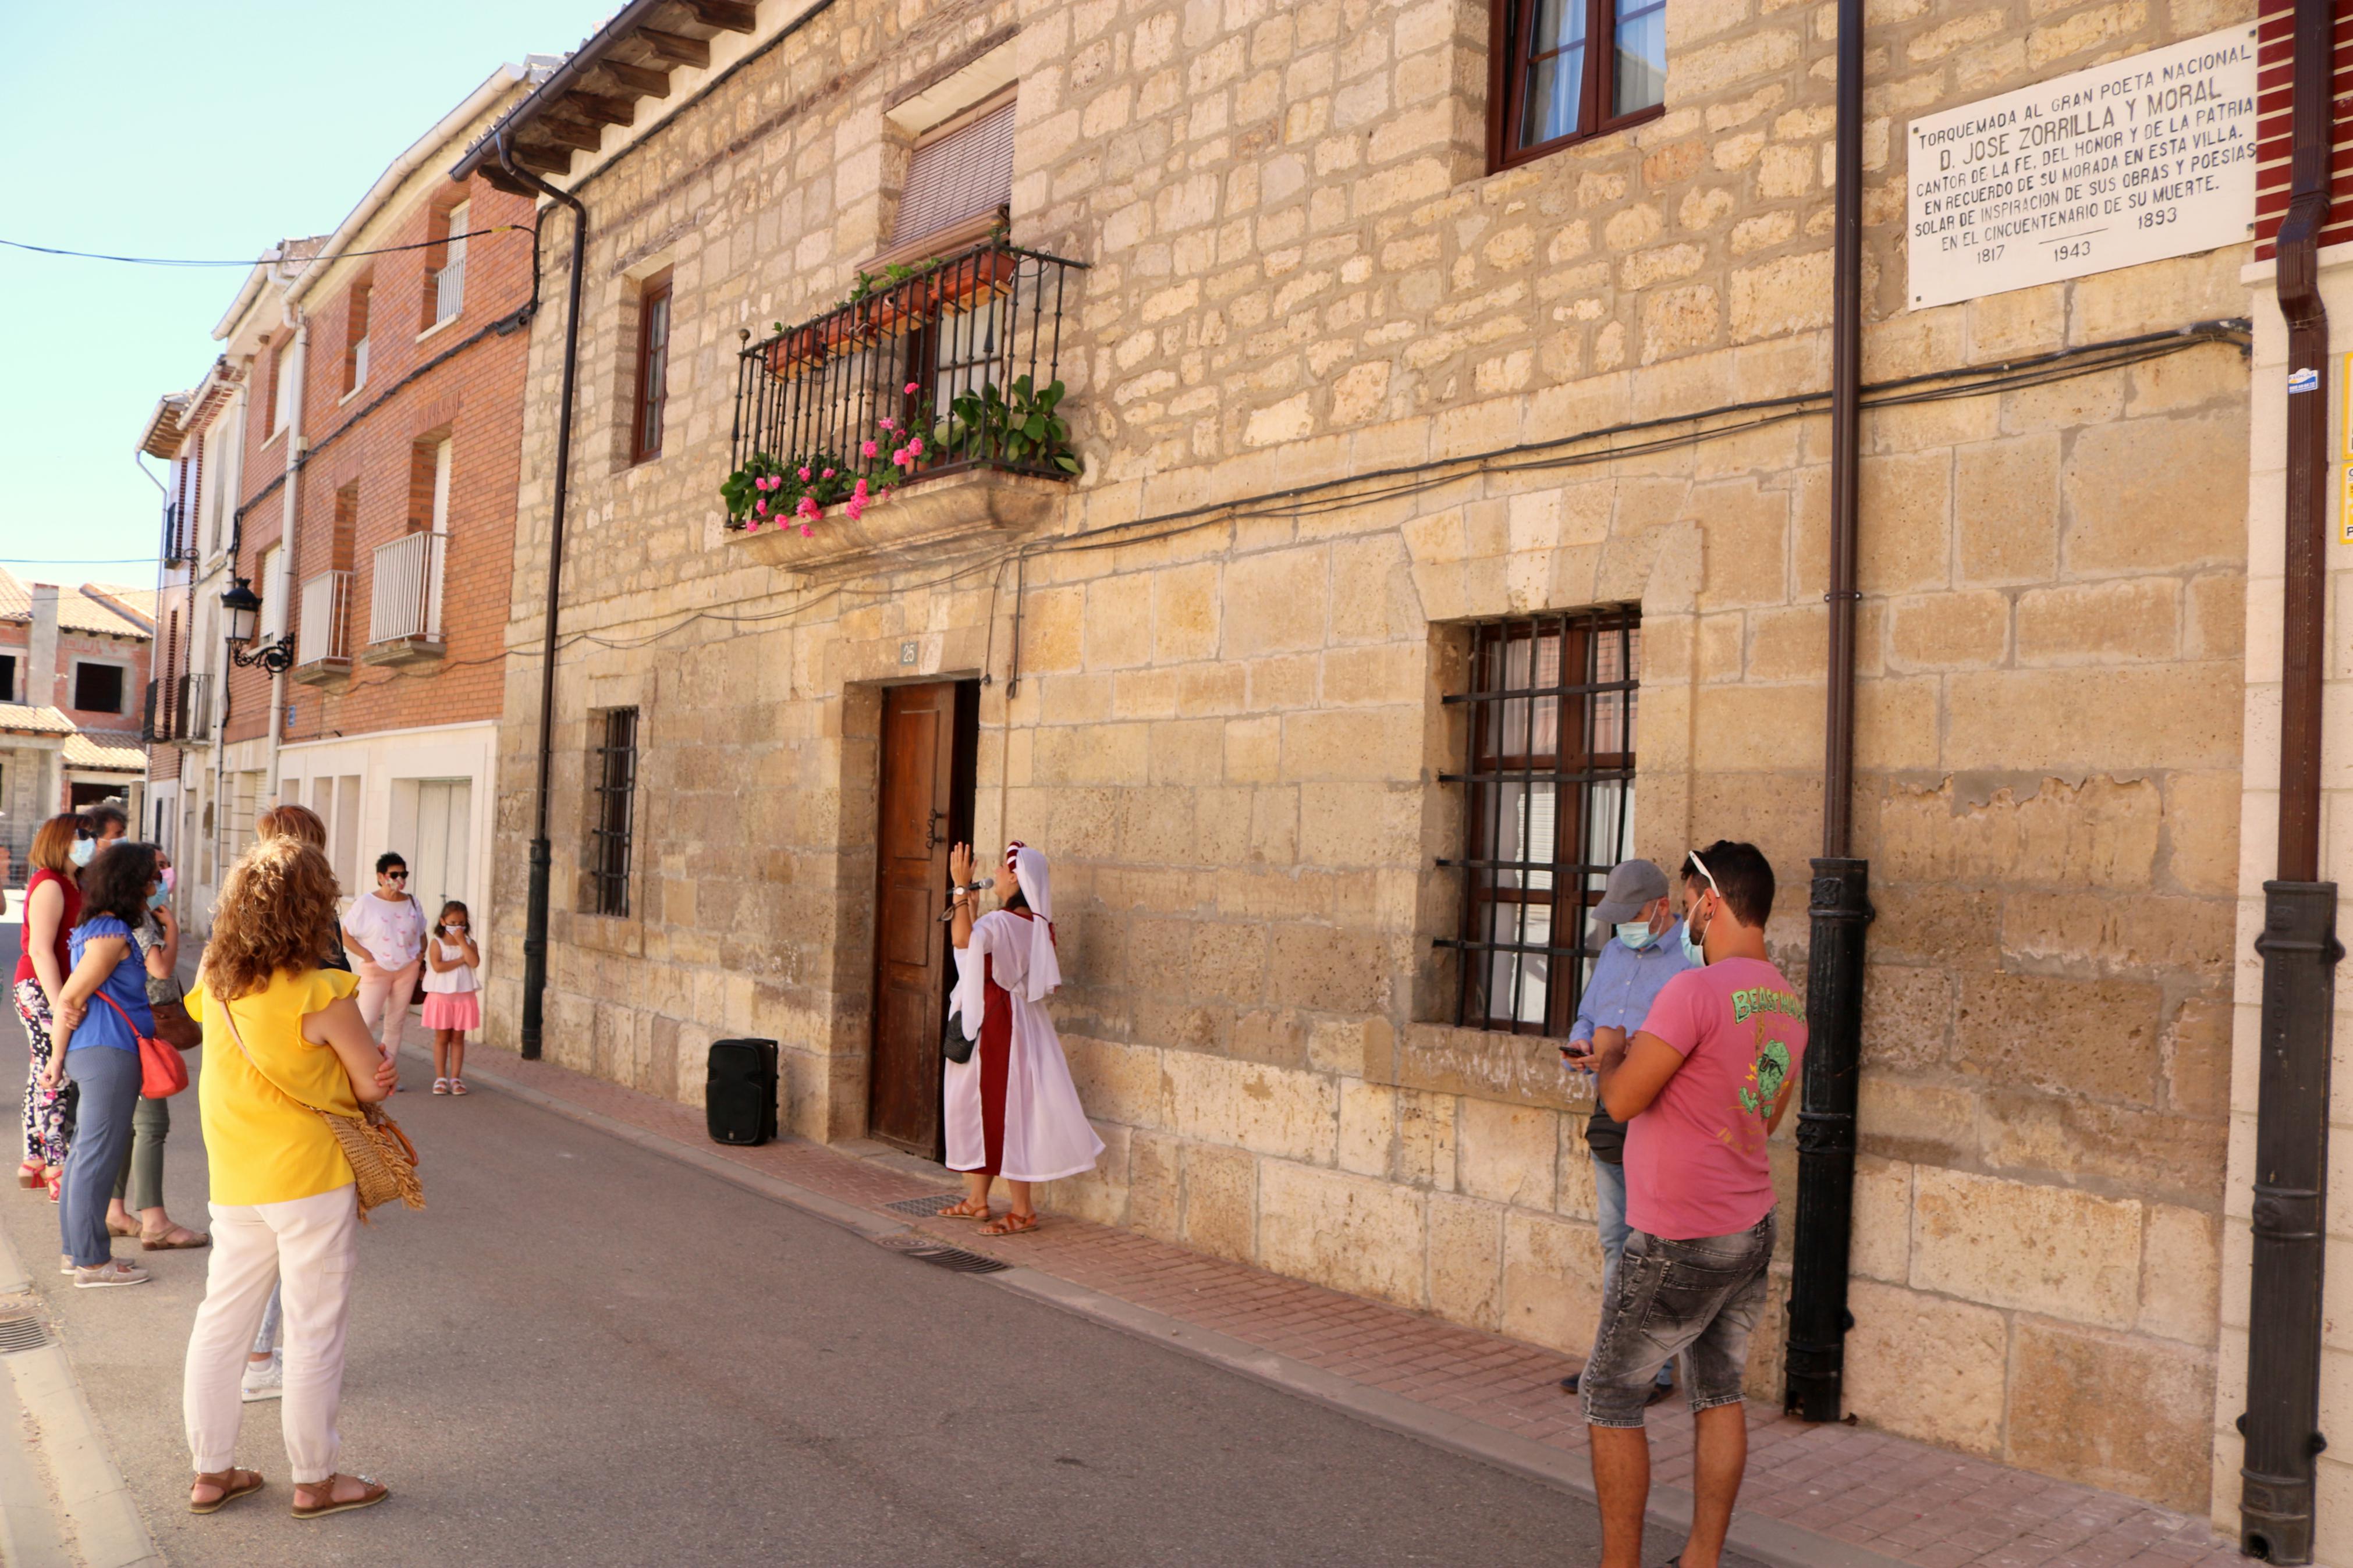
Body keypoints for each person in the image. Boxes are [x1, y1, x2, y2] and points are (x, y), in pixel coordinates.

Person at [1584, 842, 1808, 1568]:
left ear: (1711, 901)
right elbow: (1760, 1115)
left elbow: (1620, 1099)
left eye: (1686, 907)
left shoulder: (1690, 992)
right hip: (1748, 1223)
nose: (1684, 921)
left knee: (1609, 1396)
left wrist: (1613, 1048)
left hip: (1678, 1233)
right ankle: (1701, 1557)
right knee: (1717, 1391)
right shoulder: (1784, 1005)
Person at [180, 835, 395, 1519]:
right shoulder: (323, 992)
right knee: (313, 1328)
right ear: (314, 910)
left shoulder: (214, 983)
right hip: (310, 1176)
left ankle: (211, 1472)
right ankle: (315, 1478)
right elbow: (370, 1085)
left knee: (222, 1323)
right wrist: (371, 1075)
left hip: (236, 1178)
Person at [1559, 858, 1691, 1402]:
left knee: (1653, 1247)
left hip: (1663, 1120)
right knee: (1616, 1241)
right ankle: (1614, 1362)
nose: (1622, 927)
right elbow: (1587, 1017)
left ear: (1661, 907)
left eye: (1630, 915)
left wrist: (1628, 1052)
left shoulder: (1692, 960)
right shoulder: (1613, 953)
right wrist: (1583, 1045)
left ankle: (1652, 1372)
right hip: (1612, 1115)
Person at [937, 841, 1102, 1236]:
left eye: (1002, 866)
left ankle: (1024, 1210)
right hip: (1018, 1021)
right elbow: (976, 948)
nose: (995, 869)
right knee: (993, 1106)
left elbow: (962, 942)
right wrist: (971, 909)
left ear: (1015, 877)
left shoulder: (1003, 923)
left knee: (1001, 1109)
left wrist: (960, 887)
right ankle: (978, 1200)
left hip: (998, 1024)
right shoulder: (1033, 924)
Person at [241, 804, 346, 1403]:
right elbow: (336, 1001)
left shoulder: (235, 919)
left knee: (242, 1267)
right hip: (303, 1102)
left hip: (242, 1111)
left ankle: (250, 1356)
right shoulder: (315, 924)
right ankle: (262, 1361)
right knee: (301, 1264)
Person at [40, 841, 171, 1288]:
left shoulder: (98, 926)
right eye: (150, 877)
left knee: (85, 1157)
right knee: (96, 1156)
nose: (156, 884)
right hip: (108, 1052)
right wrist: (55, 1058)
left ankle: (78, 1252)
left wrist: (60, 1057)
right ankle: (93, 1263)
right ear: (130, 881)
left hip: (98, 1050)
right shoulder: (112, 931)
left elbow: (74, 1000)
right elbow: (70, 998)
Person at [102, 851, 207, 1251]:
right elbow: (161, 969)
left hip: (129, 1026)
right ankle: (155, 1221)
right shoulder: (140, 919)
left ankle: (115, 1211)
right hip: (143, 1026)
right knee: (150, 1125)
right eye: (158, 867)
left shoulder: (118, 914)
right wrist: (175, 931)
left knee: (131, 1126)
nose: (165, 873)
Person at [14, 813, 87, 1196]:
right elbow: (40, 949)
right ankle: (57, 1165)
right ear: (62, 841)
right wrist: (60, 1004)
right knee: (55, 1076)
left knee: (42, 1071)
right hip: (40, 988)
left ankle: (35, 1157)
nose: (89, 842)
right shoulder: (50, 883)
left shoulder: (75, 882)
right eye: (83, 835)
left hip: (54, 988)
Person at [339, 853, 423, 1083]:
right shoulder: (367, 903)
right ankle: (357, 1071)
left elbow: (422, 933)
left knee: (396, 1022)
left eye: (403, 874)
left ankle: (387, 1073)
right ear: (381, 876)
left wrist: (419, 957)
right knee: (367, 1020)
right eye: (394, 875)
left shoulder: (412, 902)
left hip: (407, 969)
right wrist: (367, 956)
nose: (399, 879)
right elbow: (346, 934)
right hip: (376, 970)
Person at [420, 901, 479, 1095]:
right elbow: (438, 966)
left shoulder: (470, 944)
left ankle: (456, 1078)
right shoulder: (437, 943)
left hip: (463, 996)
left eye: (461, 922)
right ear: (443, 921)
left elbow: (474, 962)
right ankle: (440, 1078)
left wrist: (462, 943)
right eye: (453, 922)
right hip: (441, 997)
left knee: (458, 1037)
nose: (458, 926)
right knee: (442, 1037)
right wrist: (461, 960)